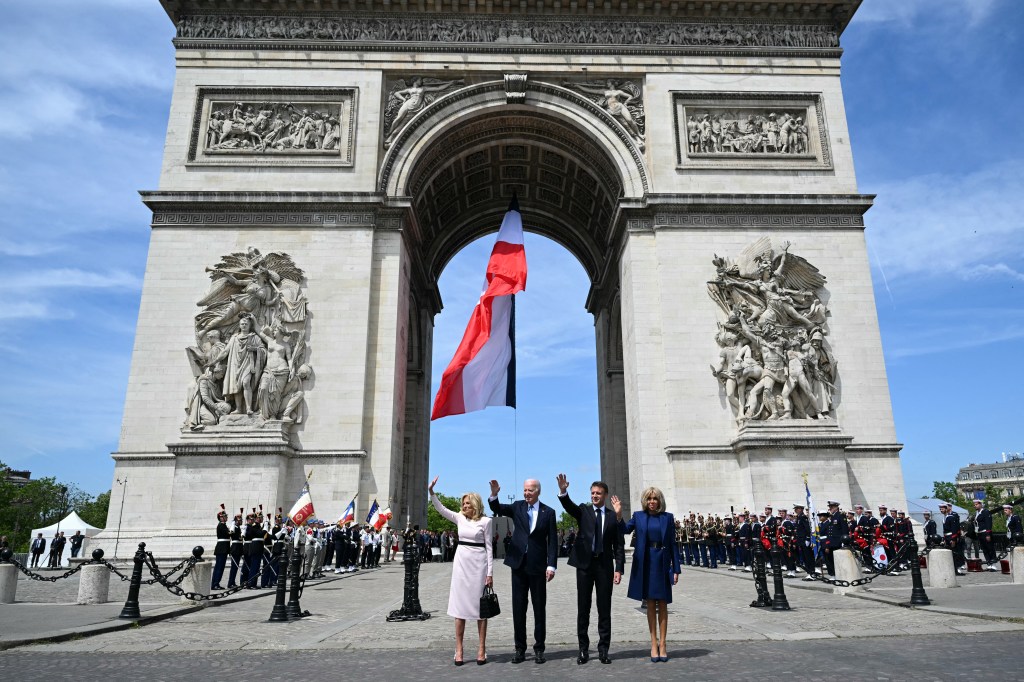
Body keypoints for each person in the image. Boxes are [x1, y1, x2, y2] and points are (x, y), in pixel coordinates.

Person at [556, 474, 624, 665]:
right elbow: (568, 506)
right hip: (585, 566)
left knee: (604, 609)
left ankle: (604, 649)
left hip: (604, 566)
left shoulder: (612, 516)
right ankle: (583, 650)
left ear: (605, 495)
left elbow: (619, 544)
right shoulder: (584, 511)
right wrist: (563, 491)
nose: (594, 496)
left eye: (598, 493)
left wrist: (619, 568)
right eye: (592, 493)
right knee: (583, 608)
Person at [488, 478, 558, 664]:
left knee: (539, 608)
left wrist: (551, 565)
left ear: (538, 491)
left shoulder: (548, 512)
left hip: (538, 566)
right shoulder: (517, 507)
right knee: (519, 608)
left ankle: (539, 649)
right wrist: (494, 494)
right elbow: (498, 508)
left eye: (530, 490)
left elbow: (553, 542)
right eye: (525, 490)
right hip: (518, 565)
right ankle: (520, 648)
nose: (527, 493)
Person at [610, 487, 681, 663]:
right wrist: (618, 514)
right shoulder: (638, 516)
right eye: (649, 498)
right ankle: (653, 644)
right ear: (645, 500)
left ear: (660, 500)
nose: (652, 501)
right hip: (645, 562)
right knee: (650, 604)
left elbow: (673, 544)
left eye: (655, 498)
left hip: (662, 563)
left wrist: (677, 569)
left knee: (663, 604)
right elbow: (624, 530)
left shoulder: (668, 517)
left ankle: (663, 644)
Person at [429, 476, 494, 666]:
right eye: (463, 503)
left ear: (475, 505)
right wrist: (431, 492)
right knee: (460, 609)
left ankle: (481, 648)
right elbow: (440, 509)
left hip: (479, 565)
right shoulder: (458, 518)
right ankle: (459, 649)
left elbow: (489, 547)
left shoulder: (486, 521)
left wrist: (490, 573)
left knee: (481, 609)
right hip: (461, 565)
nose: (464, 506)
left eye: (467, 503)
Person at [973, 499, 998, 571]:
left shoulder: (986, 512)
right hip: (980, 533)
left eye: (976, 504)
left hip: (985, 532)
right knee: (984, 549)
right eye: (974, 505)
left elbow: (988, 523)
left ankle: (993, 564)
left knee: (990, 548)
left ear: (981, 504)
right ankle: (989, 563)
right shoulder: (977, 513)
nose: (975, 506)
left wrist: (988, 534)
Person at [211, 506, 230, 590]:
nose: (226, 517)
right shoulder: (221, 526)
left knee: (220, 567)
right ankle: (215, 584)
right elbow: (228, 534)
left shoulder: (223, 525)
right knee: (219, 567)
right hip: (222, 549)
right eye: (224, 516)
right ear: (221, 518)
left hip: (223, 549)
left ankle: (216, 583)